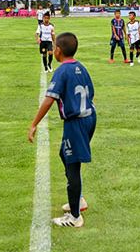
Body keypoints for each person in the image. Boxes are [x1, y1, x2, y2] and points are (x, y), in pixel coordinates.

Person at [28, 32, 96, 228]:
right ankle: (79, 199)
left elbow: (49, 100)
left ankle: (75, 216)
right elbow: (91, 93)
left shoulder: (62, 71)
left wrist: (34, 124)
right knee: (64, 155)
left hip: (76, 122)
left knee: (72, 163)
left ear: (57, 50)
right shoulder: (80, 67)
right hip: (89, 117)